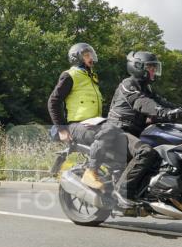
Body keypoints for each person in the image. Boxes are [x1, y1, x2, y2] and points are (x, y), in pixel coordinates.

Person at [108, 51, 182, 210]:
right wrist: (162, 112)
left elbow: (161, 102)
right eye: (150, 67)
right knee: (146, 152)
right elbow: (142, 103)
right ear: (138, 67)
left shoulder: (147, 88)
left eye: (155, 68)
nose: (154, 71)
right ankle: (122, 191)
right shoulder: (128, 84)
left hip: (136, 132)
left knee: (164, 151)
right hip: (118, 131)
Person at [48, 43, 128, 194]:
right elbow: (53, 102)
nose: (90, 58)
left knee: (122, 136)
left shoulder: (91, 76)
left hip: (93, 124)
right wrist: (62, 129)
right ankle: (91, 172)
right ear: (76, 57)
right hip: (76, 125)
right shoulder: (70, 75)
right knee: (110, 129)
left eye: (91, 54)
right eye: (86, 55)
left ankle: (119, 188)